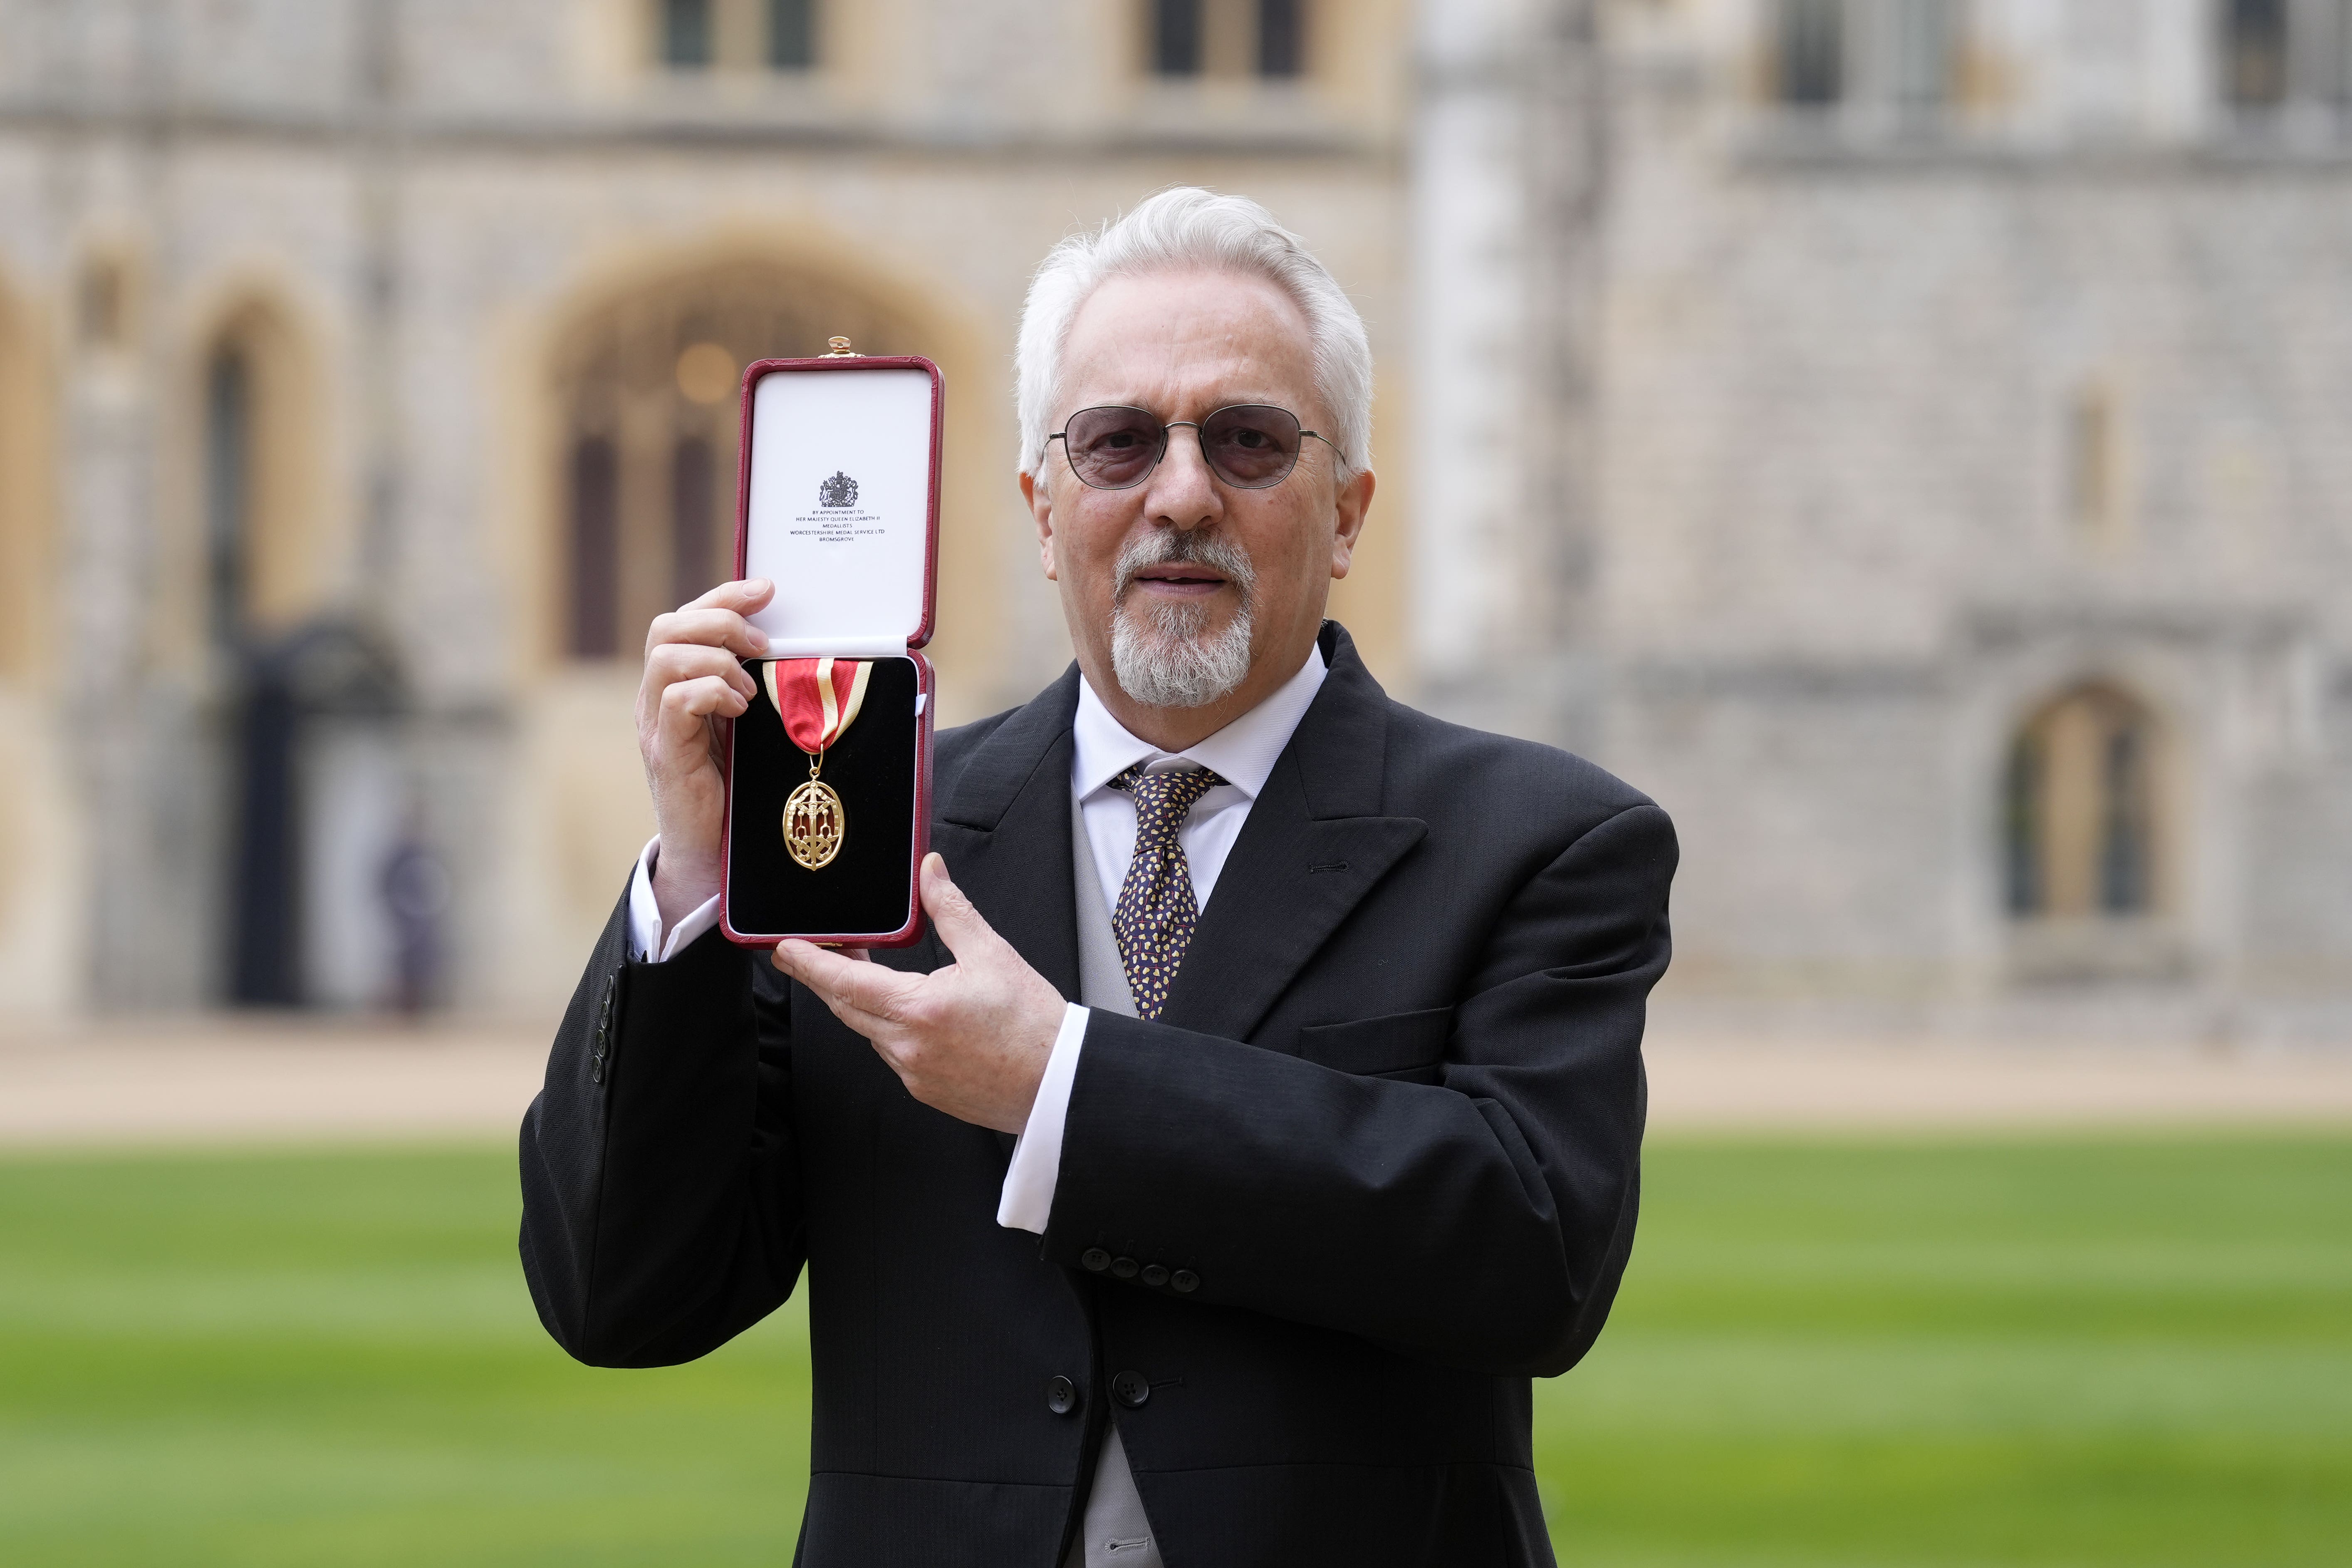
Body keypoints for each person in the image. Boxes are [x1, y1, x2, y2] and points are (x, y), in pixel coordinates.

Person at [519, 187, 1677, 1568]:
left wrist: (1060, 1085)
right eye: (1120, 441)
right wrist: (695, 879)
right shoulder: (865, 826)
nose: (1182, 492)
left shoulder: (1544, 837)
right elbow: (625, 1297)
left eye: (1248, 441)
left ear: (1350, 509)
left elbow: (1534, 1257)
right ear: (1042, 500)